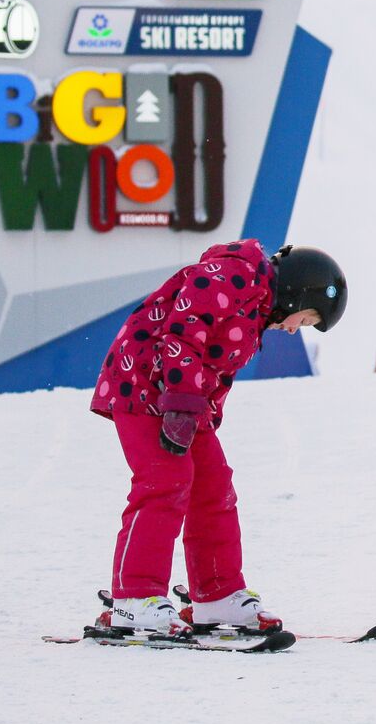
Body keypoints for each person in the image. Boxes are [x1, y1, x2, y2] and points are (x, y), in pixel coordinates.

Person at [90, 240, 347, 636]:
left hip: (181, 400)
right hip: (142, 387)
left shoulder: (255, 309)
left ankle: (216, 595)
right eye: (306, 319)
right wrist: (180, 404)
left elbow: (216, 368)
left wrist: (202, 411)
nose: (295, 329)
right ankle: (134, 598)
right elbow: (182, 331)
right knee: (164, 480)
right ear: (297, 291)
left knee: (214, 485)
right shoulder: (234, 275)